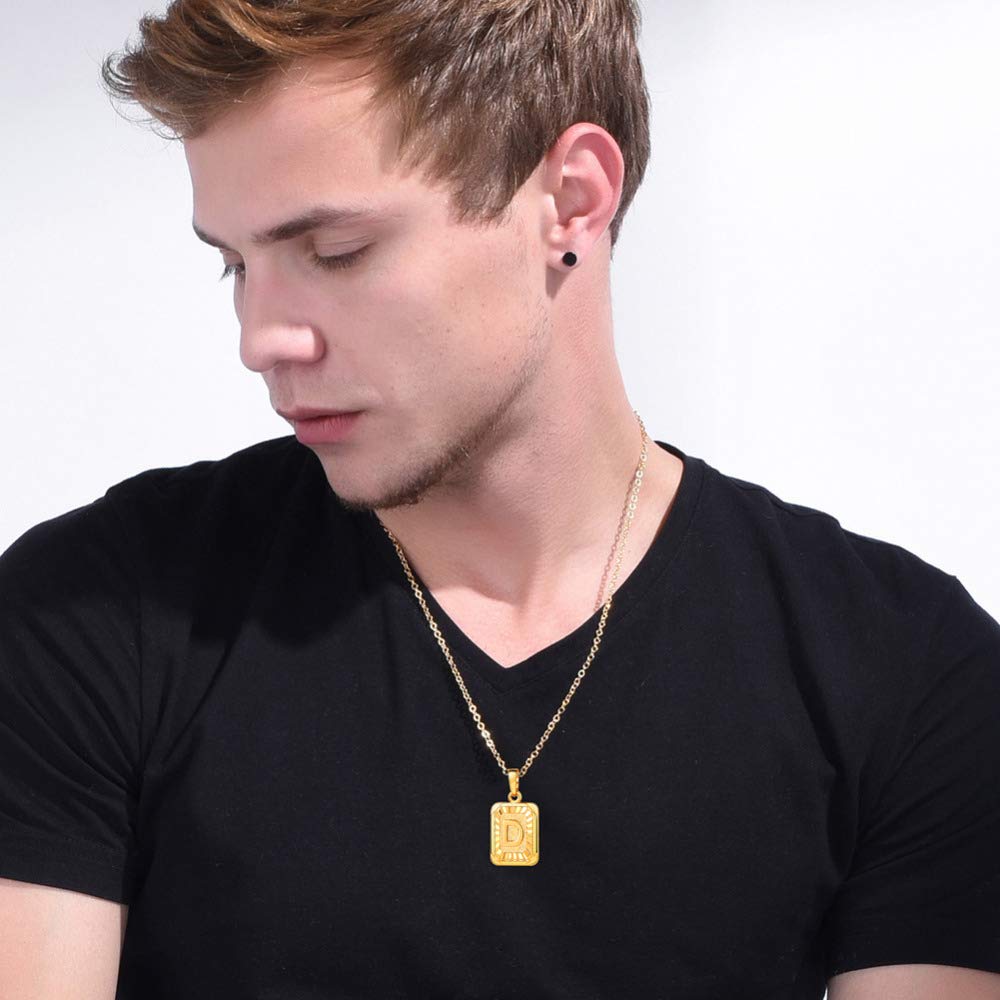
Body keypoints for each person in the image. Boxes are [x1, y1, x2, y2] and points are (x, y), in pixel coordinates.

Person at [2, 2, 998, 998]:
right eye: (234, 262)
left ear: (571, 200)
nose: (260, 339)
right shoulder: (91, 615)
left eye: (336, 249)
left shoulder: (907, 672)